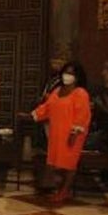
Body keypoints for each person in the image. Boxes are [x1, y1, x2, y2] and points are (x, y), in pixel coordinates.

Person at [31, 61, 91, 203]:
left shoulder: (80, 93)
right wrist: (34, 115)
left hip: (72, 134)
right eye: (66, 72)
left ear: (77, 76)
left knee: (69, 163)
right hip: (57, 132)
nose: (67, 76)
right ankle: (61, 188)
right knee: (57, 161)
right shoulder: (58, 91)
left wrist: (74, 132)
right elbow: (48, 107)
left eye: (71, 73)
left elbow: (82, 115)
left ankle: (64, 191)